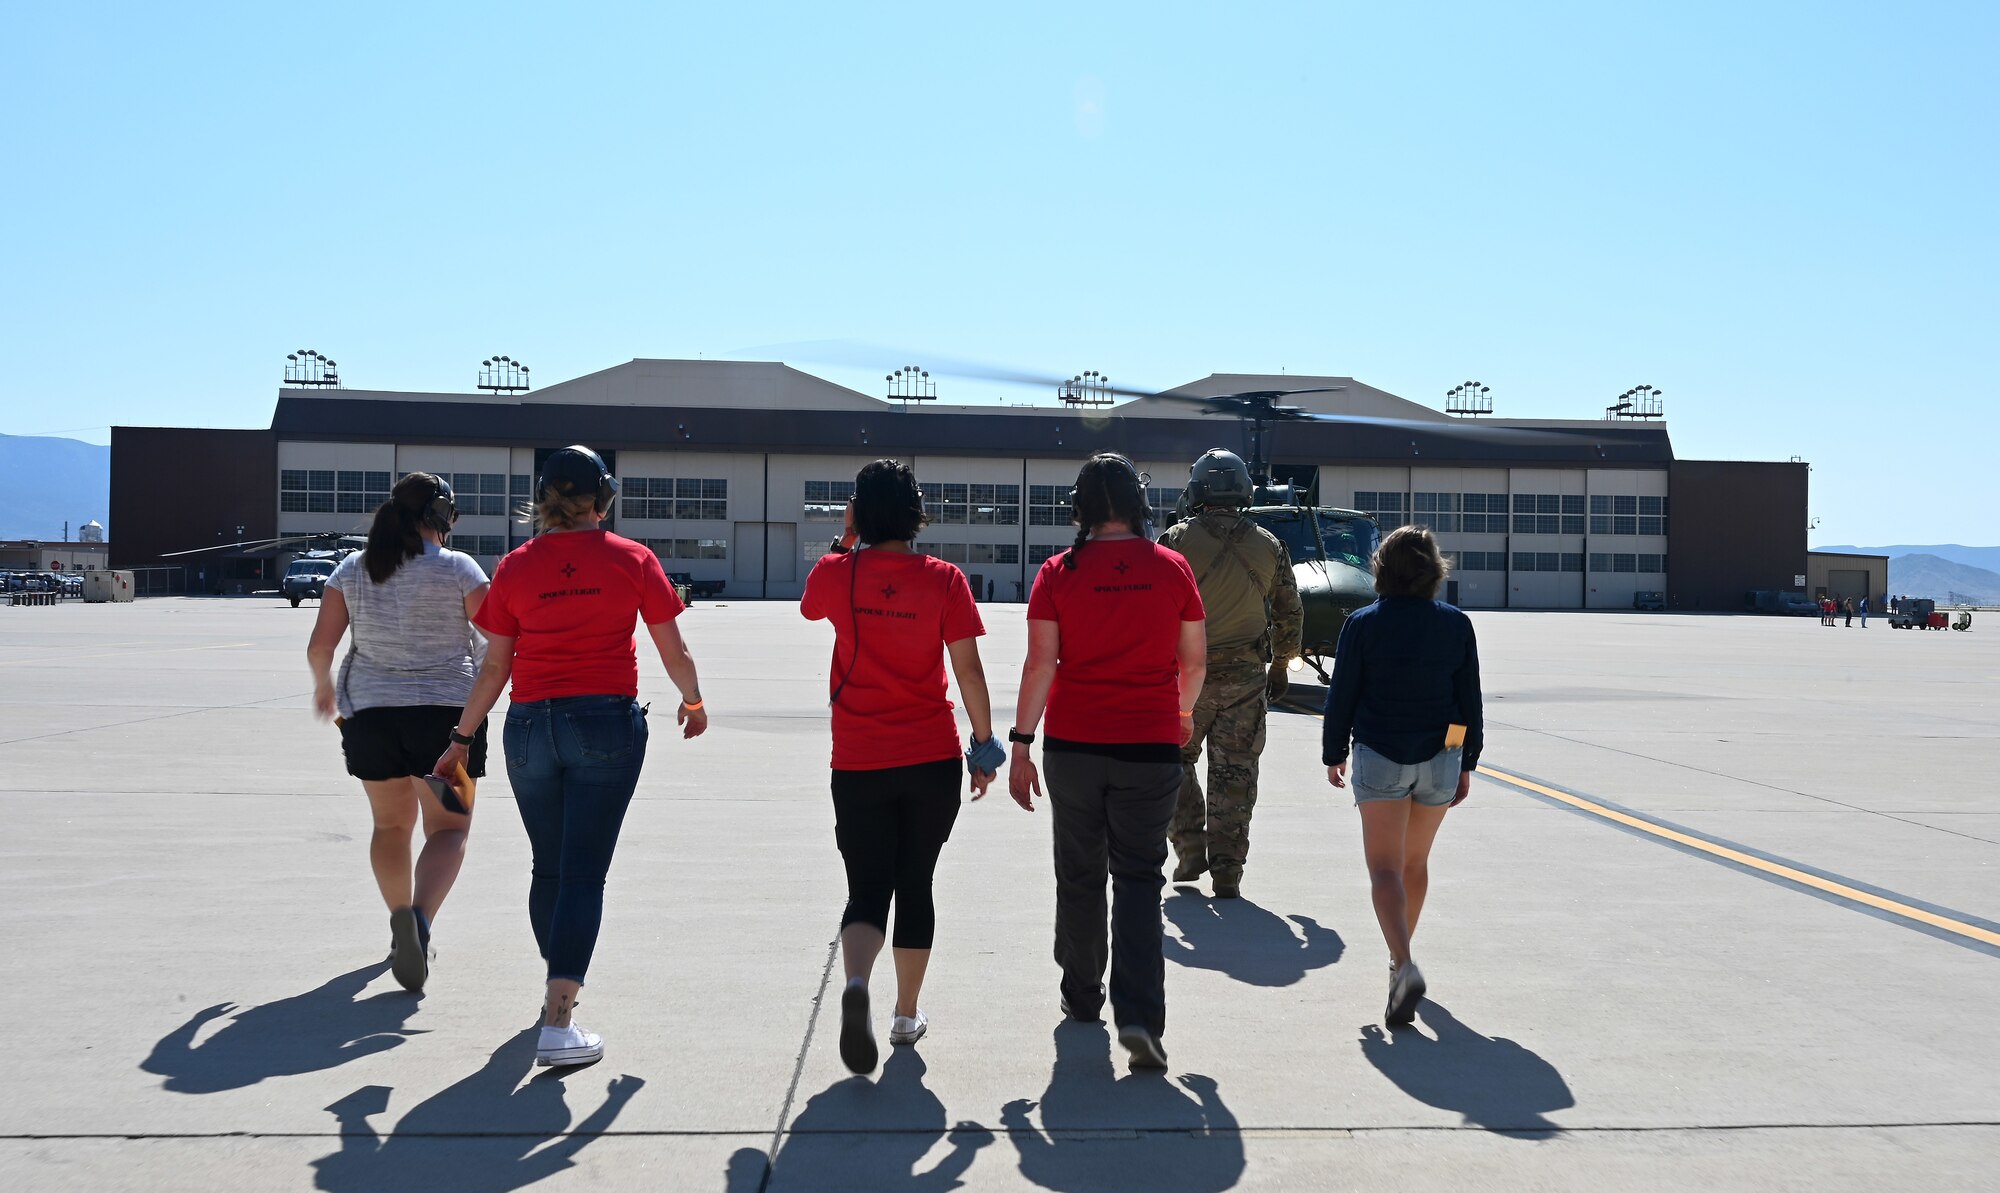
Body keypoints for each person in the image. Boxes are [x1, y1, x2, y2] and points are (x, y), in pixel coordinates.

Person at [432, 445, 707, 1069]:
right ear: (602, 499)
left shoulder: (515, 566)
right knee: (584, 873)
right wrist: (693, 701)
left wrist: (460, 738)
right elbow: (673, 647)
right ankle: (560, 1021)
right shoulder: (632, 559)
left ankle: (556, 986)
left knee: (549, 870)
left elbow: (495, 665)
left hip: (529, 727)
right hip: (603, 722)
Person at [802, 459, 1001, 1075]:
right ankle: (904, 1015)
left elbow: (810, 608)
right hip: (930, 757)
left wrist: (845, 539)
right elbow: (968, 670)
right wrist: (986, 747)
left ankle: (856, 981)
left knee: (866, 888)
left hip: (859, 759)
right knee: (916, 883)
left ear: (859, 512)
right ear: (915, 511)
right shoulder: (945, 579)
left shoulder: (838, 572)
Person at [1009, 453, 1206, 1071]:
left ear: (1082, 509)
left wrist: (1020, 741)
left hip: (1075, 747)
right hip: (1150, 748)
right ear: (1139, 505)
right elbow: (1195, 662)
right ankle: (1142, 1021)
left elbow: (1041, 664)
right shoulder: (1173, 568)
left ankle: (1081, 996)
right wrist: (1178, 714)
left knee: (1080, 874)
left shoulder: (1057, 573)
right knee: (1141, 880)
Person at [306, 472, 489, 992]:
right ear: (440, 517)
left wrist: (324, 687)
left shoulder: (352, 569)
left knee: (390, 828)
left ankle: (399, 920)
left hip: (372, 719)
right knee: (448, 829)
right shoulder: (459, 569)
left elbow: (320, 646)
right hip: (444, 722)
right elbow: (497, 642)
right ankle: (421, 921)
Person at [1322, 526, 1482, 1026]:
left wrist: (1334, 754)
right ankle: (1398, 964)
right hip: (1439, 757)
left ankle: (1404, 962)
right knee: (1415, 863)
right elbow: (1466, 703)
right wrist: (1462, 759)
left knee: (1385, 870)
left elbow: (1342, 695)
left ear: (1381, 569)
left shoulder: (1363, 624)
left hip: (1381, 754)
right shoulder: (1456, 624)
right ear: (1435, 570)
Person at [1157, 448, 1302, 899]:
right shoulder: (1270, 545)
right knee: (1236, 771)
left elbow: (1154, 608)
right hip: (1246, 677)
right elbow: (1289, 612)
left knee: (1171, 762)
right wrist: (1280, 664)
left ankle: (1189, 844)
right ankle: (1228, 872)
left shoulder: (1175, 541)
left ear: (1197, 490)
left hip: (1186, 681)